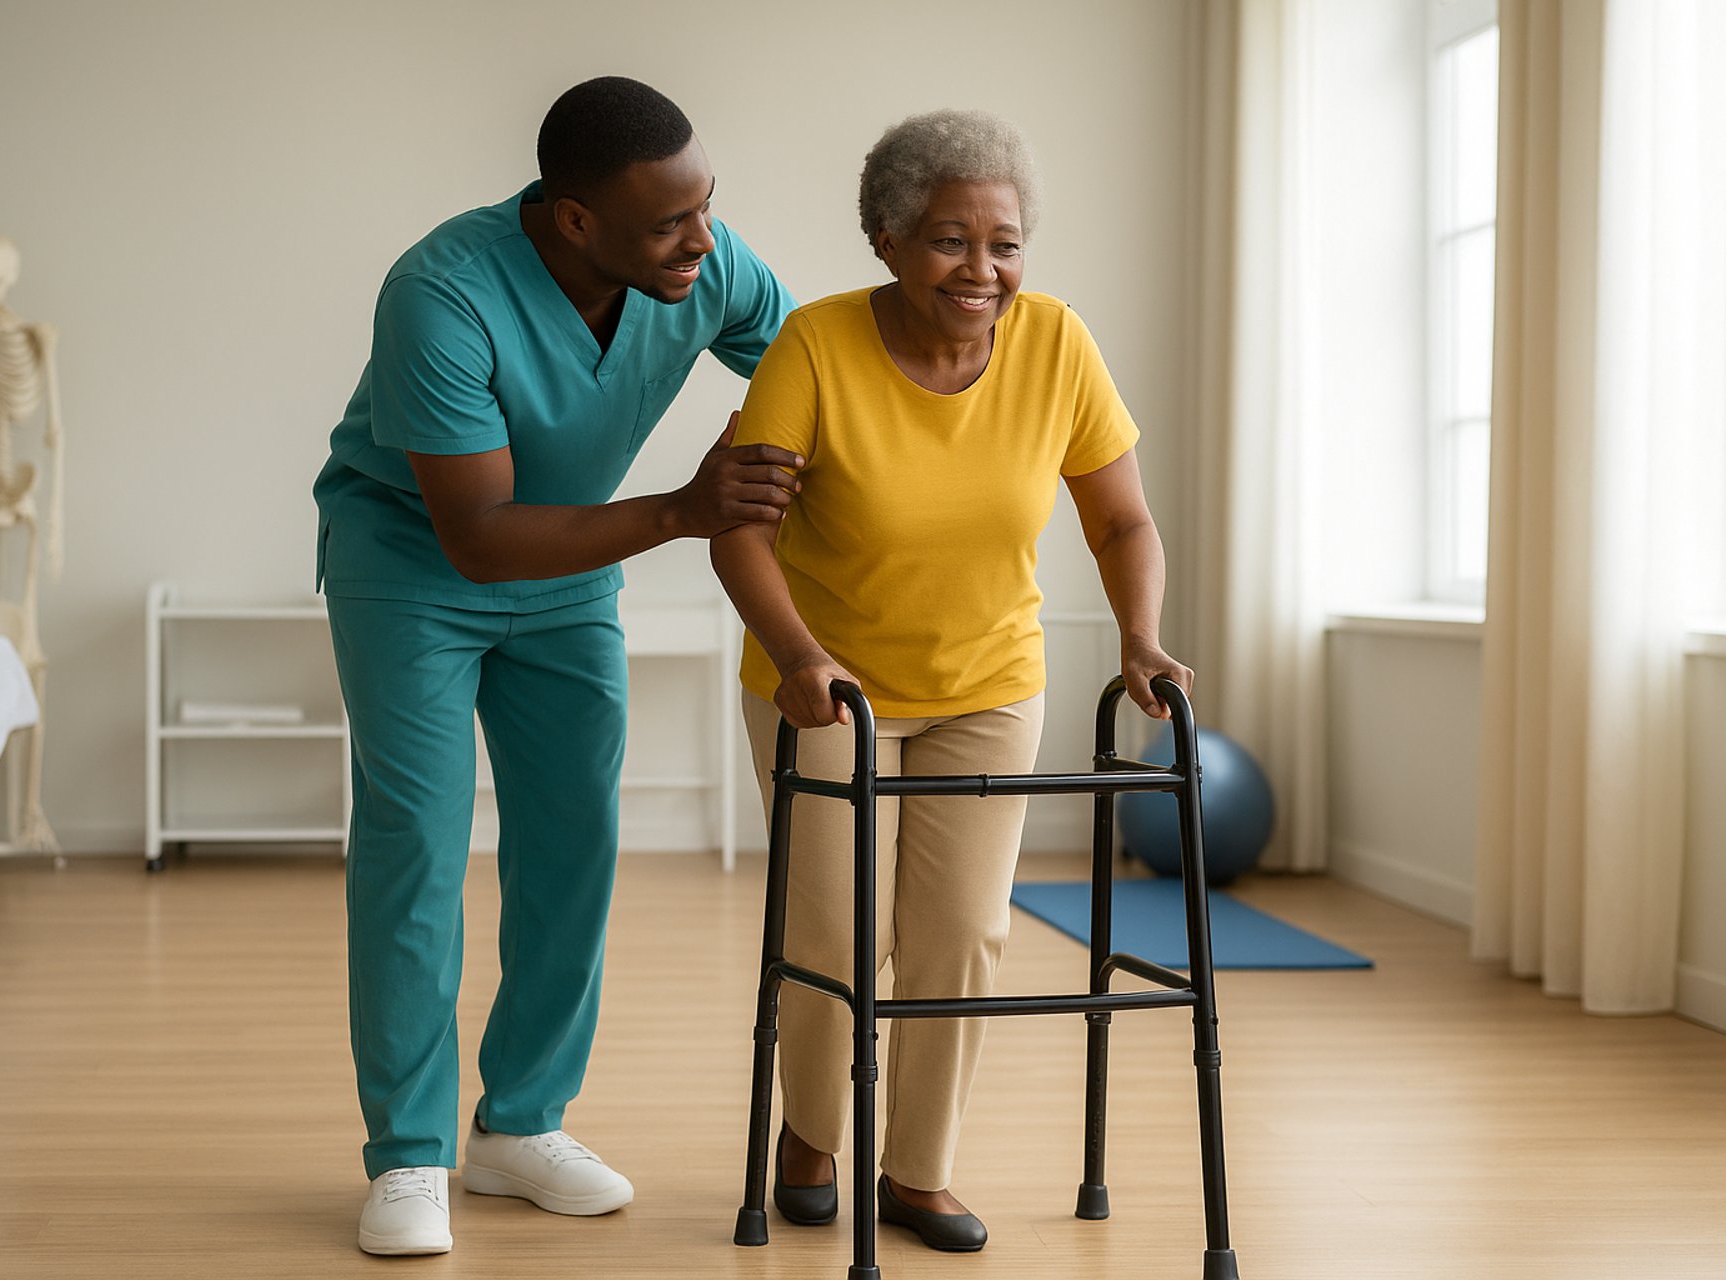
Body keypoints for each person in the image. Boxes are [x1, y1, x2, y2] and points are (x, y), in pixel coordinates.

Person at [314, 76, 799, 1256]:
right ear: (573, 219)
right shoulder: (442, 292)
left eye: (706, 209)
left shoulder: (707, 264)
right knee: (417, 846)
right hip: (416, 566)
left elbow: (815, 370)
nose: (701, 241)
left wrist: (742, 462)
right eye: (667, 224)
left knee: (573, 841)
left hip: (577, 568)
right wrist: (685, 508)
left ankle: (518, 1125)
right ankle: (410, 1153)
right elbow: (478, 535)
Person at [710, 109, 1192, 1254]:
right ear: (885, 237)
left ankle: (916, 1169)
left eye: (1006, 244)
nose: (983, 269)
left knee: (963, 931)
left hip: (987, 680)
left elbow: (1121, 517)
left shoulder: (1058, 344)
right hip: (826, 684)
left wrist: (1140, 635)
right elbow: (739, 530)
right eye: (947, 239)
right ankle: (814, 1131)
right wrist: (795, 654)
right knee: (835, 934)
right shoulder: (816, 347)